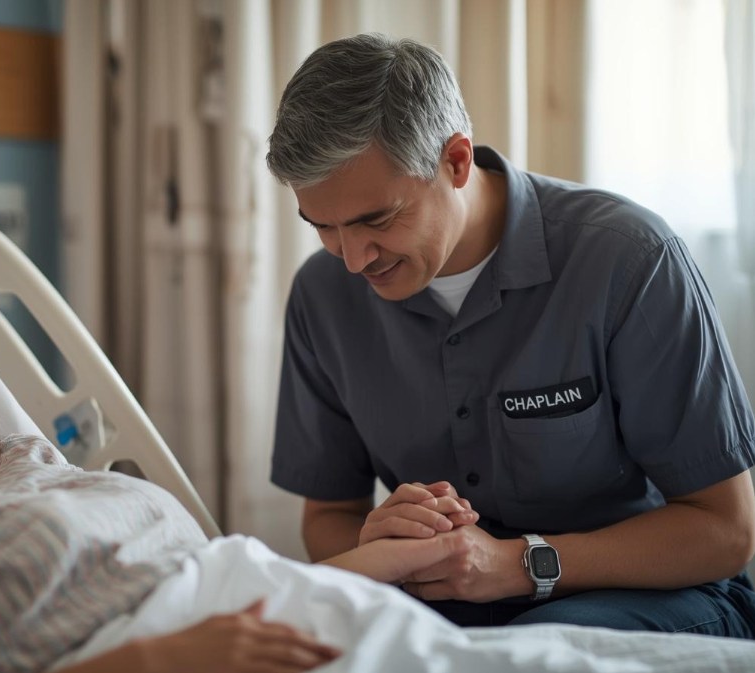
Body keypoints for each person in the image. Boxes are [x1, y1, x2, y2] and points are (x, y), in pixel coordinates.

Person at [0, 233, 754, 673]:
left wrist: (395, 554)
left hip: (333, 626)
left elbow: (238, 585)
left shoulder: (13, 467)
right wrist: (155, 662)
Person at [266, 33, 755, 636]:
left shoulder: (630, 260)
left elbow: (725, 531)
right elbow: (330, 517)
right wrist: (377, 545)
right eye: (324, 227)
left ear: (456, 161)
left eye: (377, 220)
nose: (353, 259)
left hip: (648, 596)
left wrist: (516, 564)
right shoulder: (322, 295)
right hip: (441, 609)